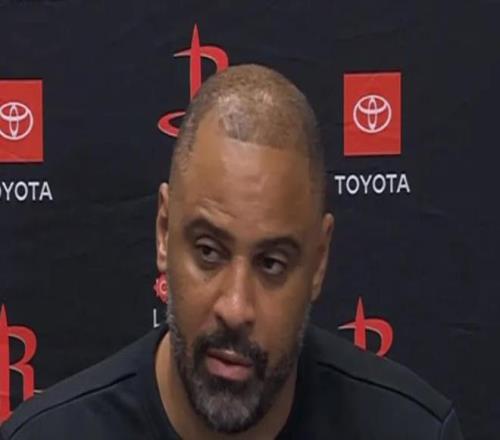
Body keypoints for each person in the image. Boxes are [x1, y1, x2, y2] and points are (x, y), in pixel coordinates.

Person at [0, 64, 463, 439]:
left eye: (272, 264)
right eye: (208, 252)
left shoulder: (412, 431)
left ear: (319, 262)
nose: (236, 307)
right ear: (164, 232)